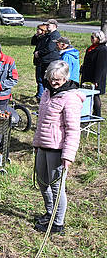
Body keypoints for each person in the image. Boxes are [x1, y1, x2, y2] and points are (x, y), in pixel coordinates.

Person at [33, 60, 83, 234]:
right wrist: (36, 143)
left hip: (58, 149)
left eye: (58, 80)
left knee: (56, 187)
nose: (54, 82)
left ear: (65, 78)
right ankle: (49, 212)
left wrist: (68, 155)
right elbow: (41, 122)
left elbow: (73, 129)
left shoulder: (70, 98)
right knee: (42, 181)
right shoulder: (47, 92)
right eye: (51, 78)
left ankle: (58, 223)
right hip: (43, 145)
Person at [80, 30, 107, 116]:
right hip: (87, 75)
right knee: (87, 94)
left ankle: (97, 114)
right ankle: (87, 112)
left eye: (93, 37)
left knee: (95, 95)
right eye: (91, 37)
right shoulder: (91, 48)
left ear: (99, 39)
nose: (91, 39)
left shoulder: (103, 50)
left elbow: (101, 66)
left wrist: (97, 80)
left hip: (96, 76)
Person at [34, 19, 61, 90]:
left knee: (48, 80)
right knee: (42, 79)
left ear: (54, 26)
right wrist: (37, 35)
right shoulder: (47, 35)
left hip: (50, 61)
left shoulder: (55, 35)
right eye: (47, 24)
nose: (47, 26)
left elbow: (50, 48)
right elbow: (35, 42)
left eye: (49, 25)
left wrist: (39, 53)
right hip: (44, 61)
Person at [32, 24, 48, 101]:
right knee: (38, 78)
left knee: (40, 79)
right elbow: (33, 42)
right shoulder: (39, 38)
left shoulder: (45, 39)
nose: (37, 31)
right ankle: (39, 92)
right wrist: (36, 35)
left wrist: (38, 53)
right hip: (38, 61)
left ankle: (40, 95)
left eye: (39, 29)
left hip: (41, 61)